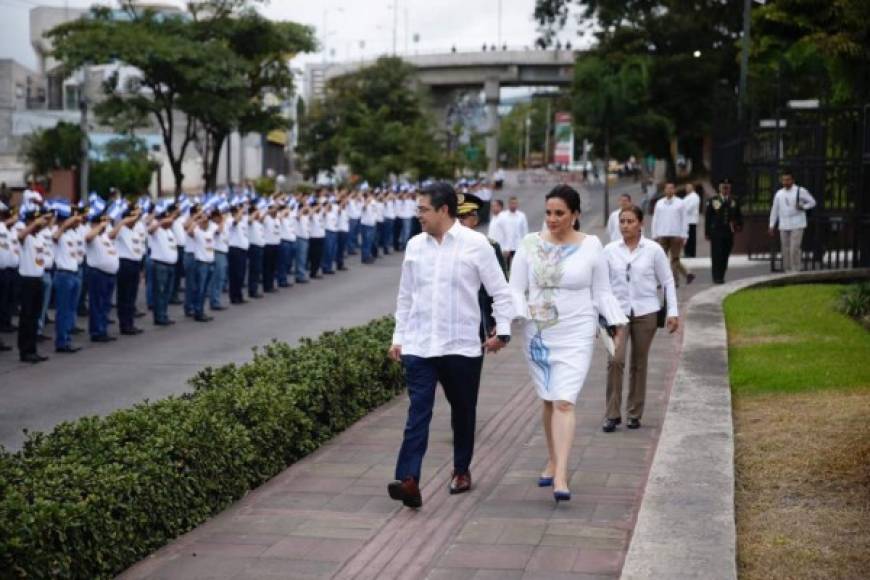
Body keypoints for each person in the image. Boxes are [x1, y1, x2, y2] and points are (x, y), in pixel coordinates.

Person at [387, 182, 514, 508]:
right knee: (418, 412)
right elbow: (405, 297)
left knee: (462, 411)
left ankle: (461, 469)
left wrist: (503, 331)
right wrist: (398, 337)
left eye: (423, 209)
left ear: (444, 210)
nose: (419, 215)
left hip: (461, 346)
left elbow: (500, 291)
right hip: (420, 345)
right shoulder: (415, 246)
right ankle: (409, 479)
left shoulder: (477, 245)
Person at [508, 185, 627, 502]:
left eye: (559, 213)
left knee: (564, 400)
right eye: (548, 213)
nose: (552, 219)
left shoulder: (591, 245)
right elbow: (515, 289)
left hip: (576, 331)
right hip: (540, 334)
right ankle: (552, 458)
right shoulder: (529, 244)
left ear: (575, 215)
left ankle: (561, 474)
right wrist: (515, 318)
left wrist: (615, 323)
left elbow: (602, 291)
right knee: (548, 398)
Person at [602, 205, 679, 432]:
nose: (625, 225)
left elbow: (667, 281)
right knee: (615, 360)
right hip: (617, 314)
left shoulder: (653, 250)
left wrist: (673, 312)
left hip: (646, 312)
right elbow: (602, 285)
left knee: (638, 363)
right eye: (622, 221)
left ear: (640, 224)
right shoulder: (609, 250)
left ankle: (634, 413)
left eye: (630, 221)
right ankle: (612, 414)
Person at [457, 193, 507, 342]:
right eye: (456, 217)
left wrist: (497, 323)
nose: (460, 222)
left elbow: (498, 290)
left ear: (475, 220)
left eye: (465, 216)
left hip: (474, 319)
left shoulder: (489, 246)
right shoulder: (439, 246)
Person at [17, 203, 51, 362]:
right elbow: (21, 236)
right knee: (27, 316)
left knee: (35, 316)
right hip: (27, 281)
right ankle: (25, 351)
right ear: (30, 221)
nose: (40, 223)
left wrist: (42, 223)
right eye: (36, 220)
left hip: (38, 279)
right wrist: (33, 224)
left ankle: (32, 349)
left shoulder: (38, 237)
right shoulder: (26, 236)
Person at [768, 170, 816, 273]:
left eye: (788, 180)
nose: (785, 182)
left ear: (792, 180)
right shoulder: (779, 194)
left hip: (797, 223)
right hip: (784, 224)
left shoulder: (800, 190)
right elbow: (774, 210)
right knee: (785, 249)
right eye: (784, 180)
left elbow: (812, 202)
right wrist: (772, 225)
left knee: (794, 247)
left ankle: (796, 269)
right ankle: (787, 269)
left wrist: (803, 206)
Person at [85, 208, 121, 343]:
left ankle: (103, 329)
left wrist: (118, 223)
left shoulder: (105, 235)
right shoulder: (92, 234)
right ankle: (96, 331)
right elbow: (88, 238)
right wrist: (100, 225)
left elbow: (114, 234)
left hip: (109, 274)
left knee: (105, 305)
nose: (106, 225)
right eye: (103, 222)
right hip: (97, 273)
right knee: (97, 304)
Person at [52, 202, 84, 352]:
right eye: (66, 218)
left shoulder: (72, 233)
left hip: (74, 272)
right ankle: (61, 341)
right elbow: (55, 236)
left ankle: (67, 338)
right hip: (63, 274)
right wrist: (64, 225)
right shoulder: (56, 231)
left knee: (71, 310)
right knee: (63, 310)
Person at [651, 182, 694, 285]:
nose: (669, 190)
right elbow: (655, 219)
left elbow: (685, 220)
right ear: (665, 190)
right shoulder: (659, 203)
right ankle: (686, 275)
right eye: (667, 188)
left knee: (674, 259)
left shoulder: (680, 203)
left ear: (674, 190)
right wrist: (654, 234)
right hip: (662, 234)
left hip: (676, 235)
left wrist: (684, 235)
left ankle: (674, 282)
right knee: (660, 260)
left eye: (671, 188)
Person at [114, 202, 146, 335]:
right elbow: (111, 233)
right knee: (124, 296)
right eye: (132, 219)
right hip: (124, 263)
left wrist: (141, 268)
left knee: (132, 296)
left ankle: (130, 323)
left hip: (135, 263)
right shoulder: (121, 230)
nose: (135, 221)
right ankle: (124, 324)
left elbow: (140, 249)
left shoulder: (136, 230)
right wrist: (122, 222)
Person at [705, 179, 743, 284]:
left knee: (725, 254)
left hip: (728, 232)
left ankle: (721, 274)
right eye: (723, 187)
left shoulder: (734, 200)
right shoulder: (714, 200)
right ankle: (716, 277)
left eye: (727, 187)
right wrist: (707, 232)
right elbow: (708, 217)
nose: (725, 189)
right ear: (719, 188)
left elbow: (739, 215)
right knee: (716, 254)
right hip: (716, 232)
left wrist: (739, 225)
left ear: (730, 188)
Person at [148, 200, 178, 326]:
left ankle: (164, 314)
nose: (169, 221)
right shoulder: (157, 230)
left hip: (170, 265)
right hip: (160, 264)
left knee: (166, 292)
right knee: (159, 292)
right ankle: (159, 316)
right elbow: (150, 229)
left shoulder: (169, 231)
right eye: (167, 220)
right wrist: (160, 222)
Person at [185, 208, 216, 321]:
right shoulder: (197, 232)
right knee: (200, 289)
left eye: (206, 221)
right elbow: (188, 231)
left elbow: (217, 224)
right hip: (201, 263)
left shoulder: (210, 231)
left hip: (210, 262)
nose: (205, 222)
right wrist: (197, 221)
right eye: (204, 222)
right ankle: (198, 312)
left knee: (205, 290)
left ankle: (201, 310)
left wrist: (206, 217)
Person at [227, 201, 250, 302]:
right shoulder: (230, 220)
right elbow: (235, 222)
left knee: (241, 274)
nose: (242, 213)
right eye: (239, 211)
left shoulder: (243, 221)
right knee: (235, 274)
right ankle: (234, 296)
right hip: (235, 250)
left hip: (243, 250)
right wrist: (240, 211)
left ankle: (239, 295)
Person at [208, 205, 229, 309]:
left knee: (221, 278)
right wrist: (222, 222)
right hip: (217, 253)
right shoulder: (212, 225)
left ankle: (216, 299)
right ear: (214, 217)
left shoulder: (221, 224)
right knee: (217, 278)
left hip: (223, 253)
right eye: (219, 216)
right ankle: (214, 301)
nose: (222, 217)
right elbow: (218, 232)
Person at [498, 196, 529, 267]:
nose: (513, 205)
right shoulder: (502, 216)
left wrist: (525, 246)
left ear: (517, 204)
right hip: (506, 246)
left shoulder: (521, 216)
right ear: (508, 204)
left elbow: (525, 231)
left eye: (515, 203)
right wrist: (503, 247)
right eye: (511, 203)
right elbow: (500, 232)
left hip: (518, 246)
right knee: (506, 267)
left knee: (518, 266)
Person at [682, 183, 702, 257]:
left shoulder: (695, 197)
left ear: (693, 188)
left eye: (689, 187)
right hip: (686, 221)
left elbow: (688, 208)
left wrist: (682, 210)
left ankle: (691, 253)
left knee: (691, 238)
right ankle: (687, 252)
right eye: (686, 187)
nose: (687, 189)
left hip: (691, 221)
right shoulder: (688, 197)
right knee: (686, 238)